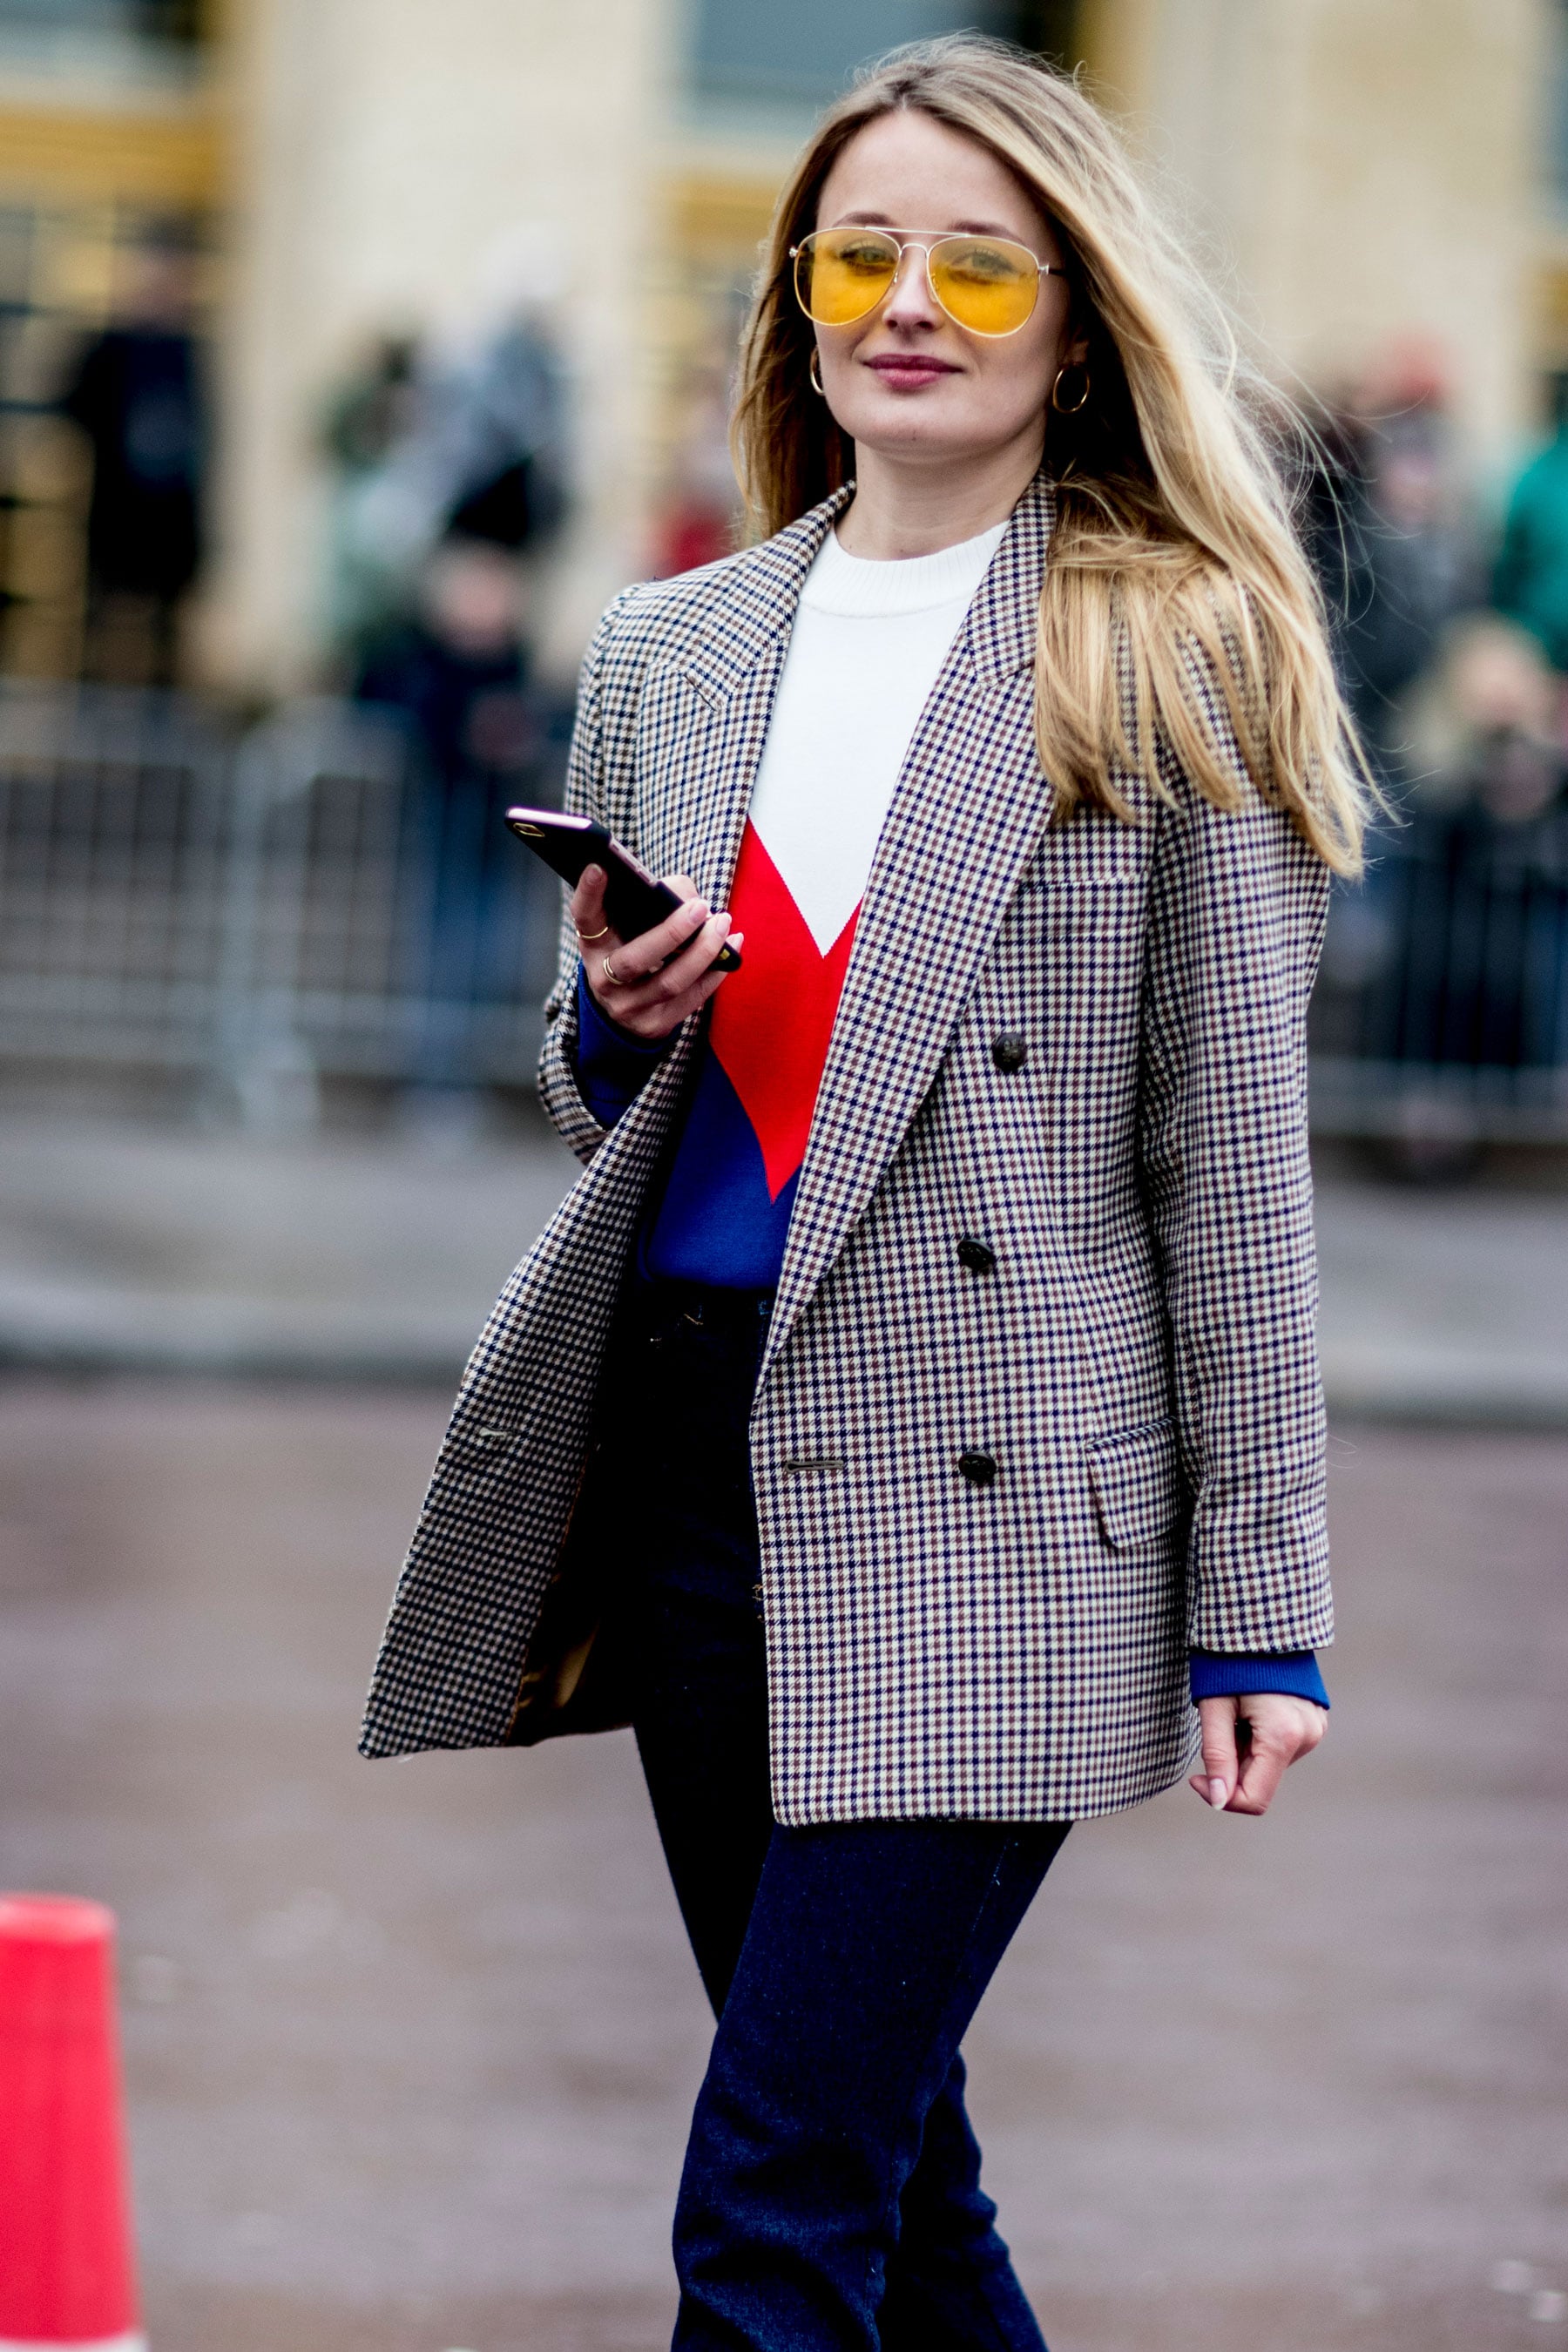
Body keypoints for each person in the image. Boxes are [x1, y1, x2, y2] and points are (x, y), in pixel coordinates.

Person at [363, 36, 1366, 2349]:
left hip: (997, 1491)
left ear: (1077, 319)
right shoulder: (675, 645)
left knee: (774, 2198)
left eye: (980, 264)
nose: (909, 300)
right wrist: (618, 1019)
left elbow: (1232, 1173)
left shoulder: (1168, 652)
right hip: (704, 1456)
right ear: (800, 295)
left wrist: (1265, 1605)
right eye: (862, 248)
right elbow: (600, 1090)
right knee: (894, 2191)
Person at [59, 232, 207, 687]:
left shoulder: (190, 350)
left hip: (171, 515)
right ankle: (95, 702)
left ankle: (160, 709)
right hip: (119, 509)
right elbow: (75, 407)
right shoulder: (111, 346)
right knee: (105, 617)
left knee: (165, 625)